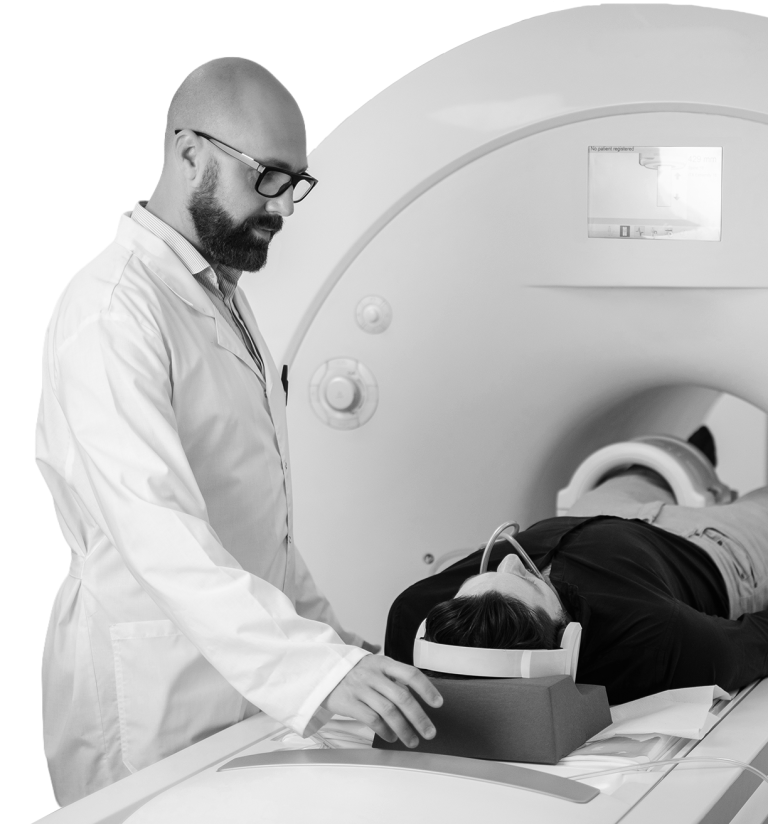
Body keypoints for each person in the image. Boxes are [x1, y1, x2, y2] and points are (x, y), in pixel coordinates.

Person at [35, 56, 440, 808]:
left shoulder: (221, 296)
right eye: (268, 177)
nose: (283, 206)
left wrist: (335, 646)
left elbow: (258, 523)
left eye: (295, 182)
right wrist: (314, 672)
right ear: (189, 153)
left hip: (240, 678)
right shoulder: (112, 312)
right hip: (150, 697)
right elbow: (159, 533)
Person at [385, 438, 768, 704]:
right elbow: (757, 640)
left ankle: (697, 446)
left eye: (478, 577)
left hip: (592, 513)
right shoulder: (651, 640)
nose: (511, 559)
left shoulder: (416, 611)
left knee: (660, 459)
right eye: (529, 579)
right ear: (566, 638)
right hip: (710, 547)